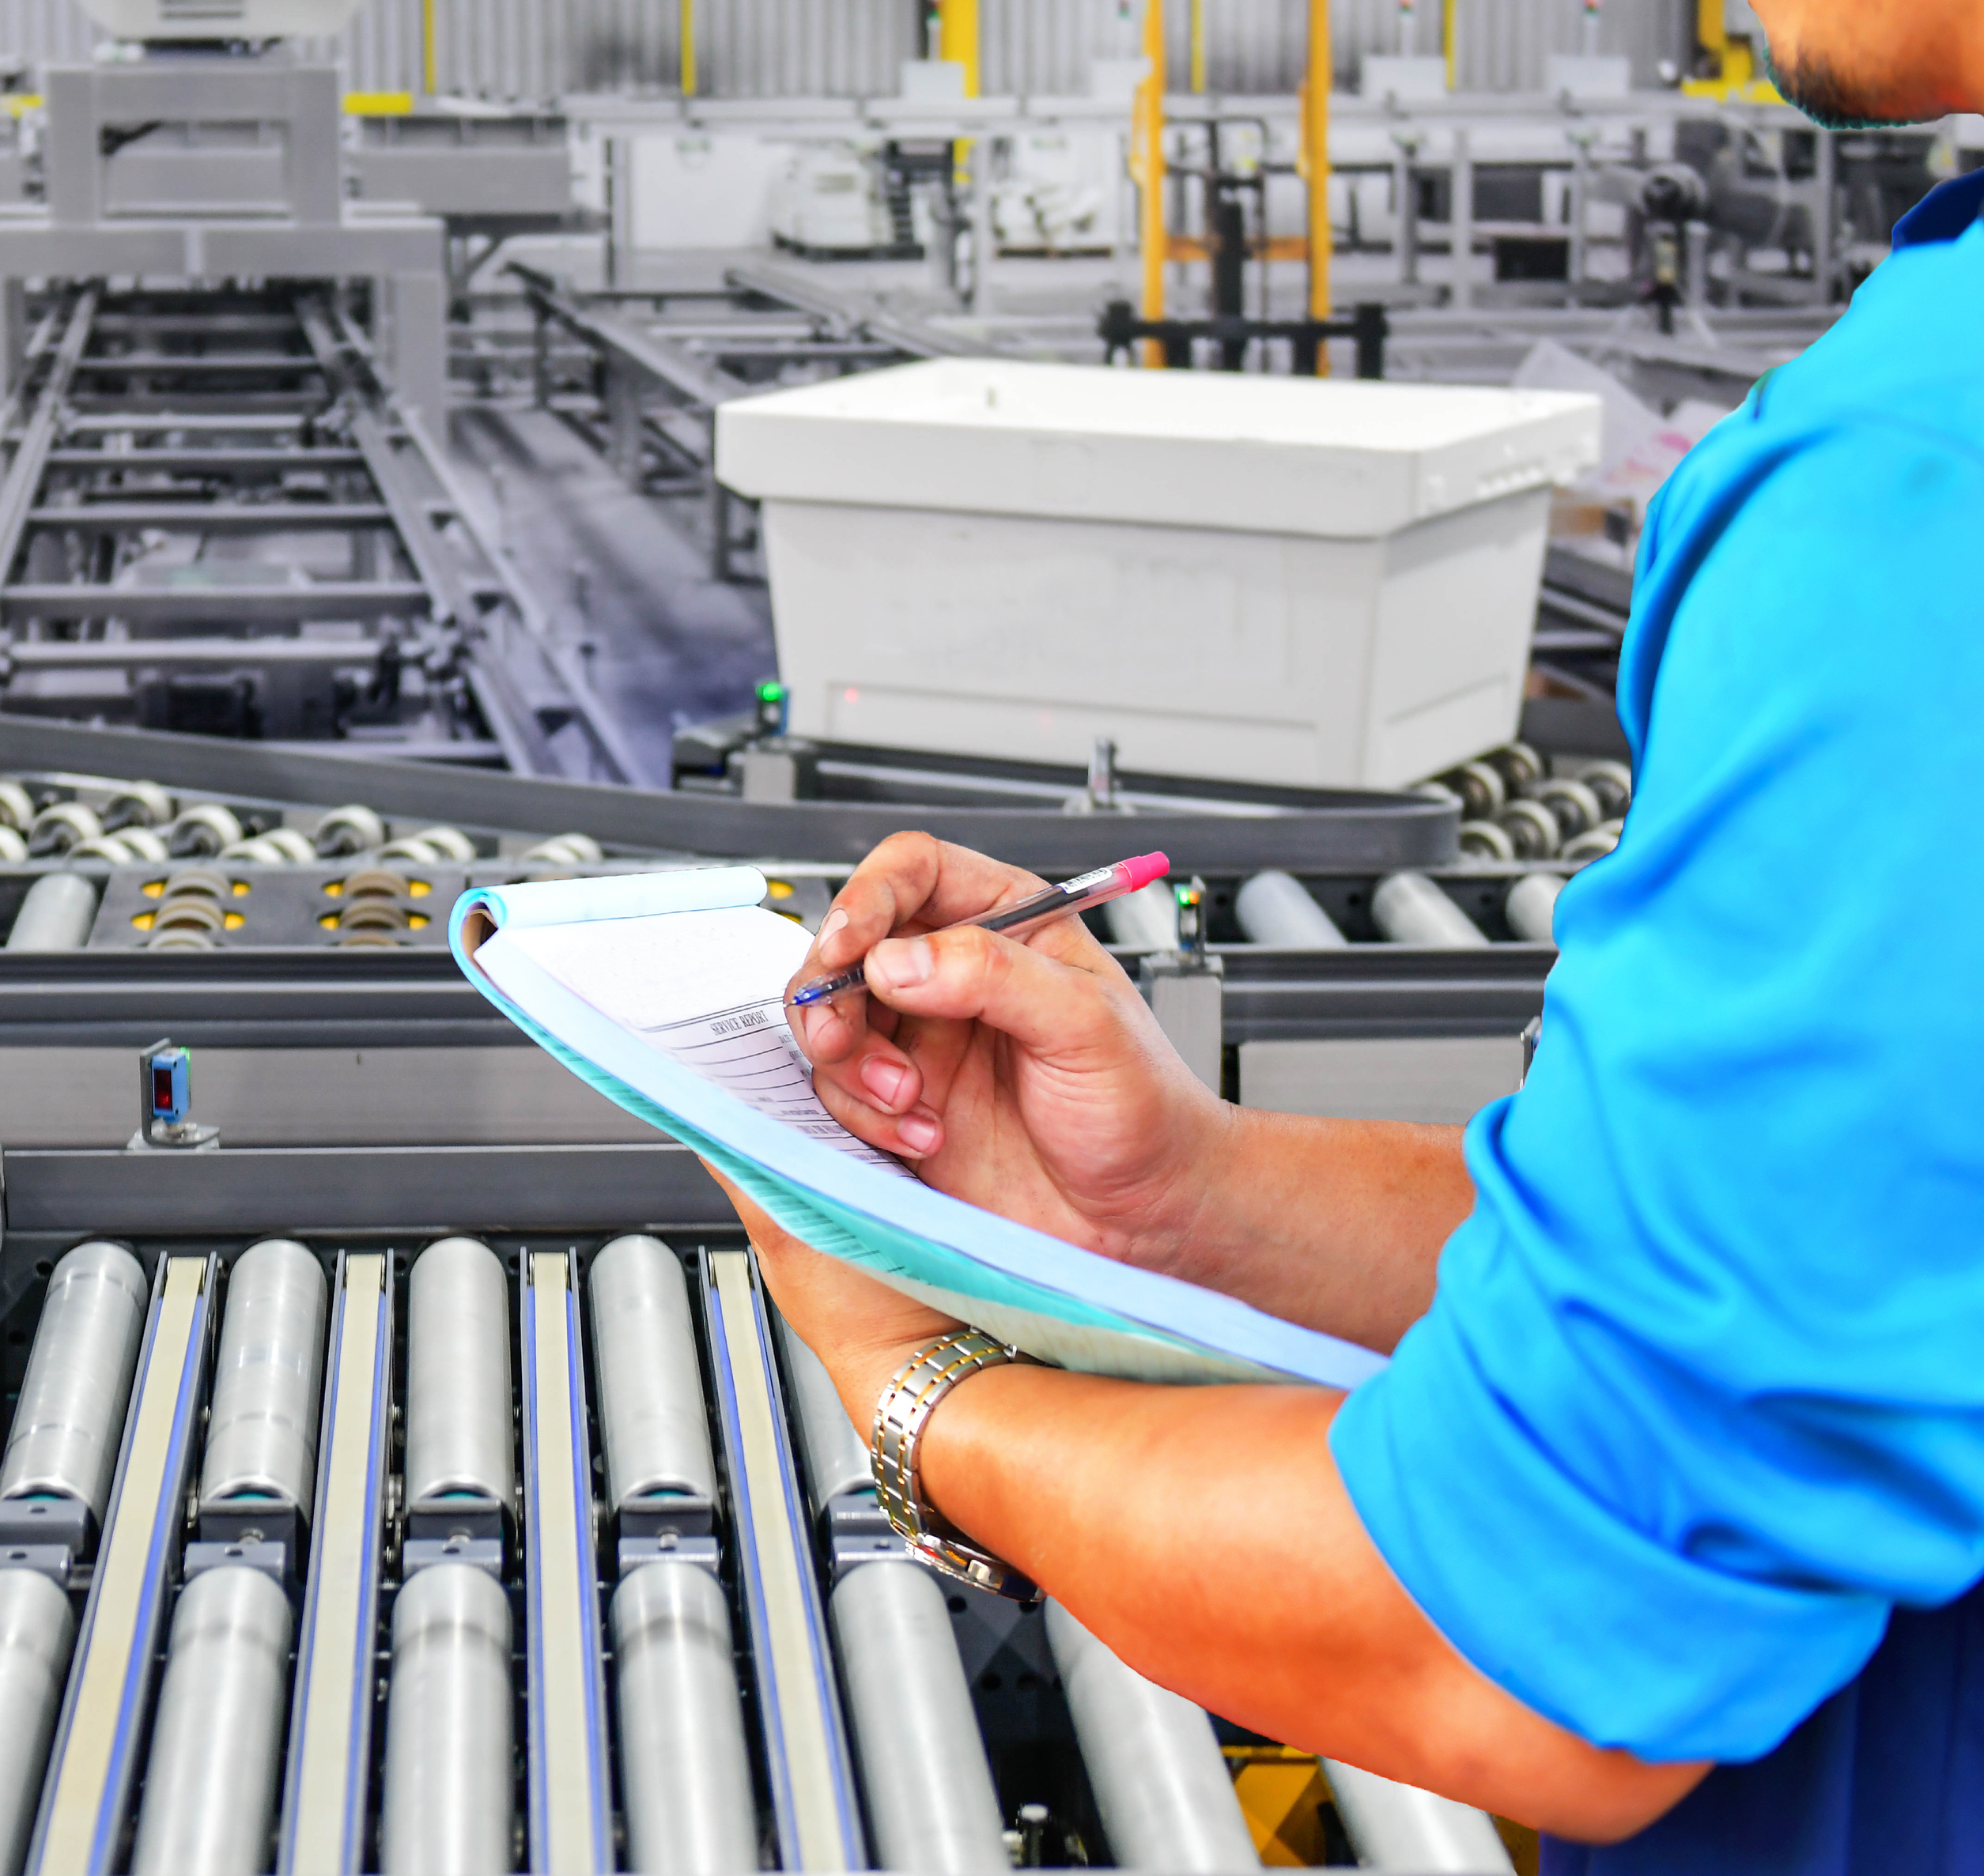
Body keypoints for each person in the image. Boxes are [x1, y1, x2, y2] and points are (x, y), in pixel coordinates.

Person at [730, 0, 1984, 1863]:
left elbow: (1517, 1641)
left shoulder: (1914, 490)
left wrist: (916, 1393)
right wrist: (1183, 1198)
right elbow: (1842, 1269)